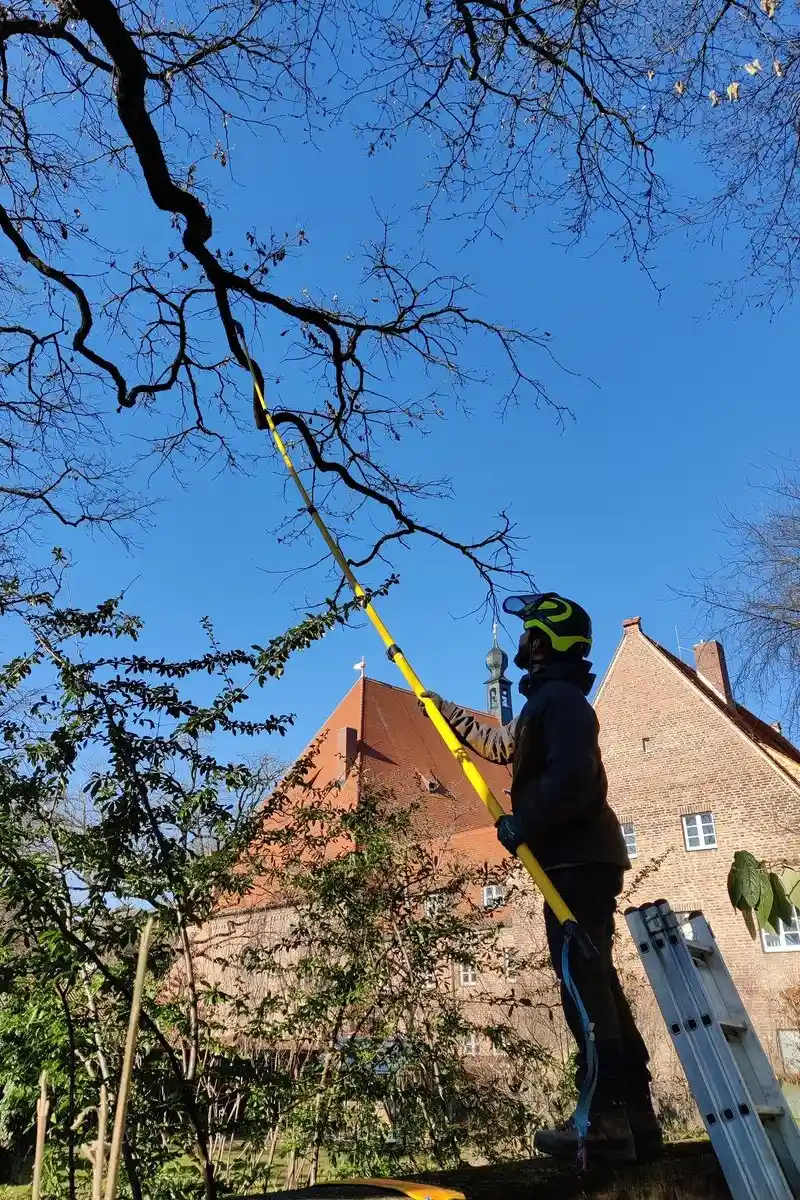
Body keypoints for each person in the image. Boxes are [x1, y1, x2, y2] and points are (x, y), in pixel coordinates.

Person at [422, 592, 661, 1164]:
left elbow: (575, 781)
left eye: (530, 630)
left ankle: (603, 1123)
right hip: (576, 861)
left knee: (582, 986)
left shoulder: (562, 704)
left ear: (546, 642)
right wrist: (444, 713)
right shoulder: (548, 704)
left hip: (576, 861)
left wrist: (523, 823)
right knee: (597, 983)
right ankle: (636, 1119)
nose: (522, 638)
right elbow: (505, 746)